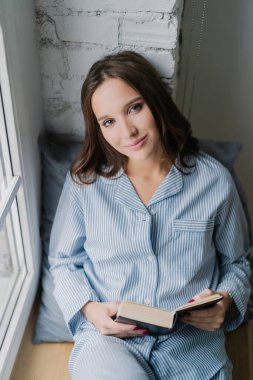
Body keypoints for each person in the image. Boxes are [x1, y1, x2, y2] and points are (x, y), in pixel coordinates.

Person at [49, 51, 251, 380]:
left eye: (135, 107)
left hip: (193, 347)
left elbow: (237, 263)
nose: (127, 131)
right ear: (98, 129)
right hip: (109, 342)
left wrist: (226, 301)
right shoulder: (85, 185)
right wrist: (90, 309)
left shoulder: (214, 181)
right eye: (108, 121)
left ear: (155, 102)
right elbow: (63, 261)